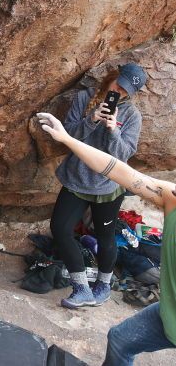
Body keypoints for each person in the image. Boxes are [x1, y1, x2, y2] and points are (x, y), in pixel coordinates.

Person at [36, 112, 175, 365]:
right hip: (169, 314)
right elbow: (116, 169)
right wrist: (67, 138)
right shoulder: (172, 197)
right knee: (120, 339)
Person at [49, 63, 147, 308]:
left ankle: (103, 284)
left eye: (126, 92)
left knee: (105, 237)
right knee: (60, 228)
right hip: (77, 180)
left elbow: (125, 154)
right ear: (113, 77)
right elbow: (67, 135)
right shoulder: (84, 98)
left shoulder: (131, 115)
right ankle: (81, 287)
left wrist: (113, 130)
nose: (120, 93)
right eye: (119, 86)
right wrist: (92, 119)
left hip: (108, 186)